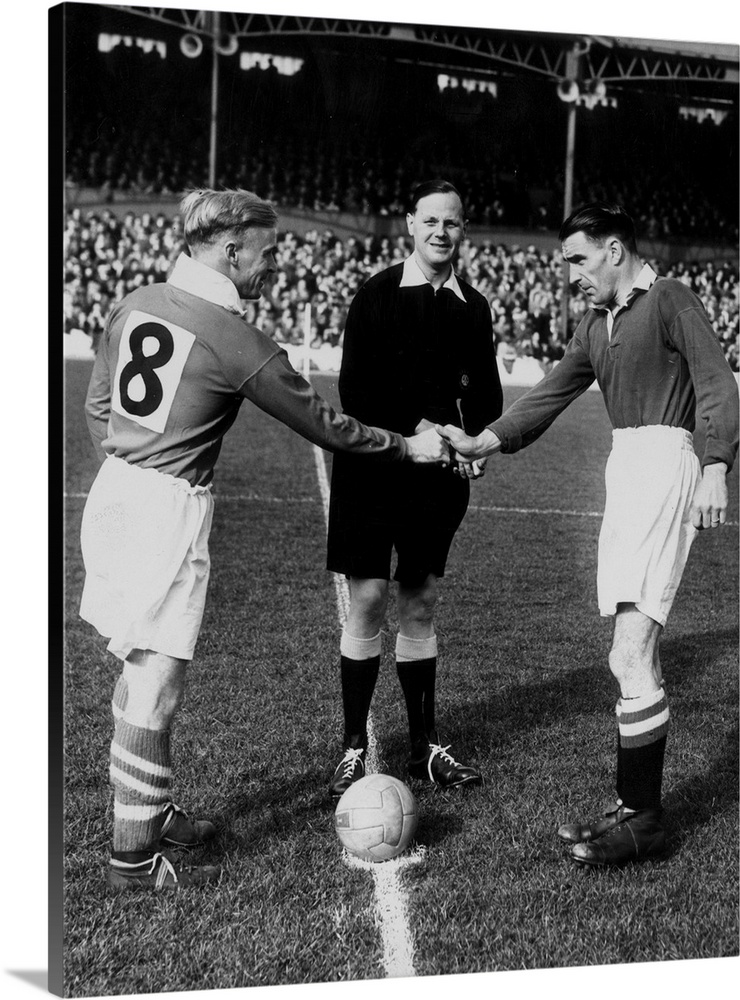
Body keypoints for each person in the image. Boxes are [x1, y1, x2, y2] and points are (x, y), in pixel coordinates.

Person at [79, 188, 449, 891]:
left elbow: (99, 405)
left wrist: (134, 461)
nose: (272, 265)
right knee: (157, 681)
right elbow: (323, 424)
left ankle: (152, 813)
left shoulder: (138, 300)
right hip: (164, 507)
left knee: (138, 667)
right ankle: (132, 860)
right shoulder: (230, 334)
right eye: (267, 251)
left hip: (116, 491)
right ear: (230, 248)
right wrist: (409, 447)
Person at [439, 201, 738, 866]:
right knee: (631, 656)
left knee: (629, 654)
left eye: (578, 258)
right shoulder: (596, 323)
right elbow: (549, 394)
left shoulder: (669, 299)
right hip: (625, 470)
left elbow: (716, 382)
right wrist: (486, 438)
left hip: (665, 463)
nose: (571, 272)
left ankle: (646, 820)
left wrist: (716, 465)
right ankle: (636, 809)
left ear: (614, 250)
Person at [326, 179, 503, 798]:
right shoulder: (375, 295)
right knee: (370, 597)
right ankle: (353, 745)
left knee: (420, 600)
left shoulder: (472, 307)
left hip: (437, 479)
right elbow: (356, 393)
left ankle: (426, 747)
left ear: (463, 232)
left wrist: (471, 440)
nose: (440, 232)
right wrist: (422, 427)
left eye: (451, 223)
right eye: (429, 220)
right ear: (409, 224)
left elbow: (486, 397)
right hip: (373, 467)